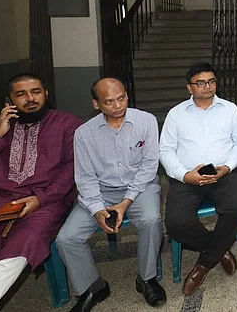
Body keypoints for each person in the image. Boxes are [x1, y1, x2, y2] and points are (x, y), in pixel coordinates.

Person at [56, 78, 165, 310]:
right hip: (100, 192)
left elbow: (148, 167)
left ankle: (146, 278)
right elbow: (85, 177)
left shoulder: (146, 121)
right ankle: (92, 287)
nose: (118, 105)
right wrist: (97, 210)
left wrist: (126, 203)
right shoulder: (84, 134)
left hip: (140, 187)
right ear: (96, 104)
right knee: (67, 238)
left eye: (121, 98)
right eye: (109, 101)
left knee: (151, 219)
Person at [0, 74, 81, 311]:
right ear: (9, 100)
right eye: (21, 94)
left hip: (45, 202)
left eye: (35, 91)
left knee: (23, 245)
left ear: (46, 93)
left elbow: (73, 169)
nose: (30, 98)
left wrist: (41, 199)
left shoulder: (67, 124)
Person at [160, 62, 237, 296]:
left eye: (211, 81)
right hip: (188, 177)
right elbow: (166, 151)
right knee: (176, 223)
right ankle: (219, 251)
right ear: (189, 87)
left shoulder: (229, 109)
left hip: (223, 174)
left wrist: (228, 167)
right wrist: (184, 175)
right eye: (200, 83)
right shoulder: (176, 114)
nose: (207, 87)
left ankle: (203, 264)